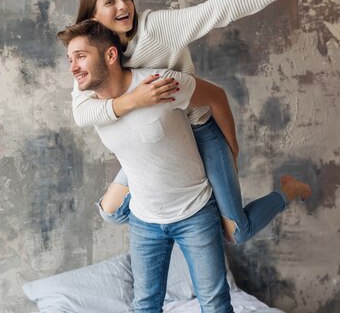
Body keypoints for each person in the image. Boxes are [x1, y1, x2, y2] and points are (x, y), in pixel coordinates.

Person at [71, 0, 324, 243]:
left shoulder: (157, 28)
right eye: (110, 1)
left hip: (199, 131)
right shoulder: (92, 57)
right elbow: (82, 111)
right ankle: (179, 217)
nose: (124, 6)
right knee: (110, 211)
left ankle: (287, 191)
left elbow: (218, 9)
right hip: (160, 144)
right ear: (93, 16)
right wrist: (133, 101)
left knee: (236, 232)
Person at [58, 19, 235, 313]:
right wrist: (132, 101)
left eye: (80, 56)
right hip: (144, 221)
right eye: (70, 59)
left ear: (110, 55)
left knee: (215, 304)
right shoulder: (88, 104)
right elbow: (81, 116)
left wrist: (233, 148)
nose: (73, 67)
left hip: (194, 212)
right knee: (145, 306)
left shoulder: (159, 83)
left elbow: (216, 97)